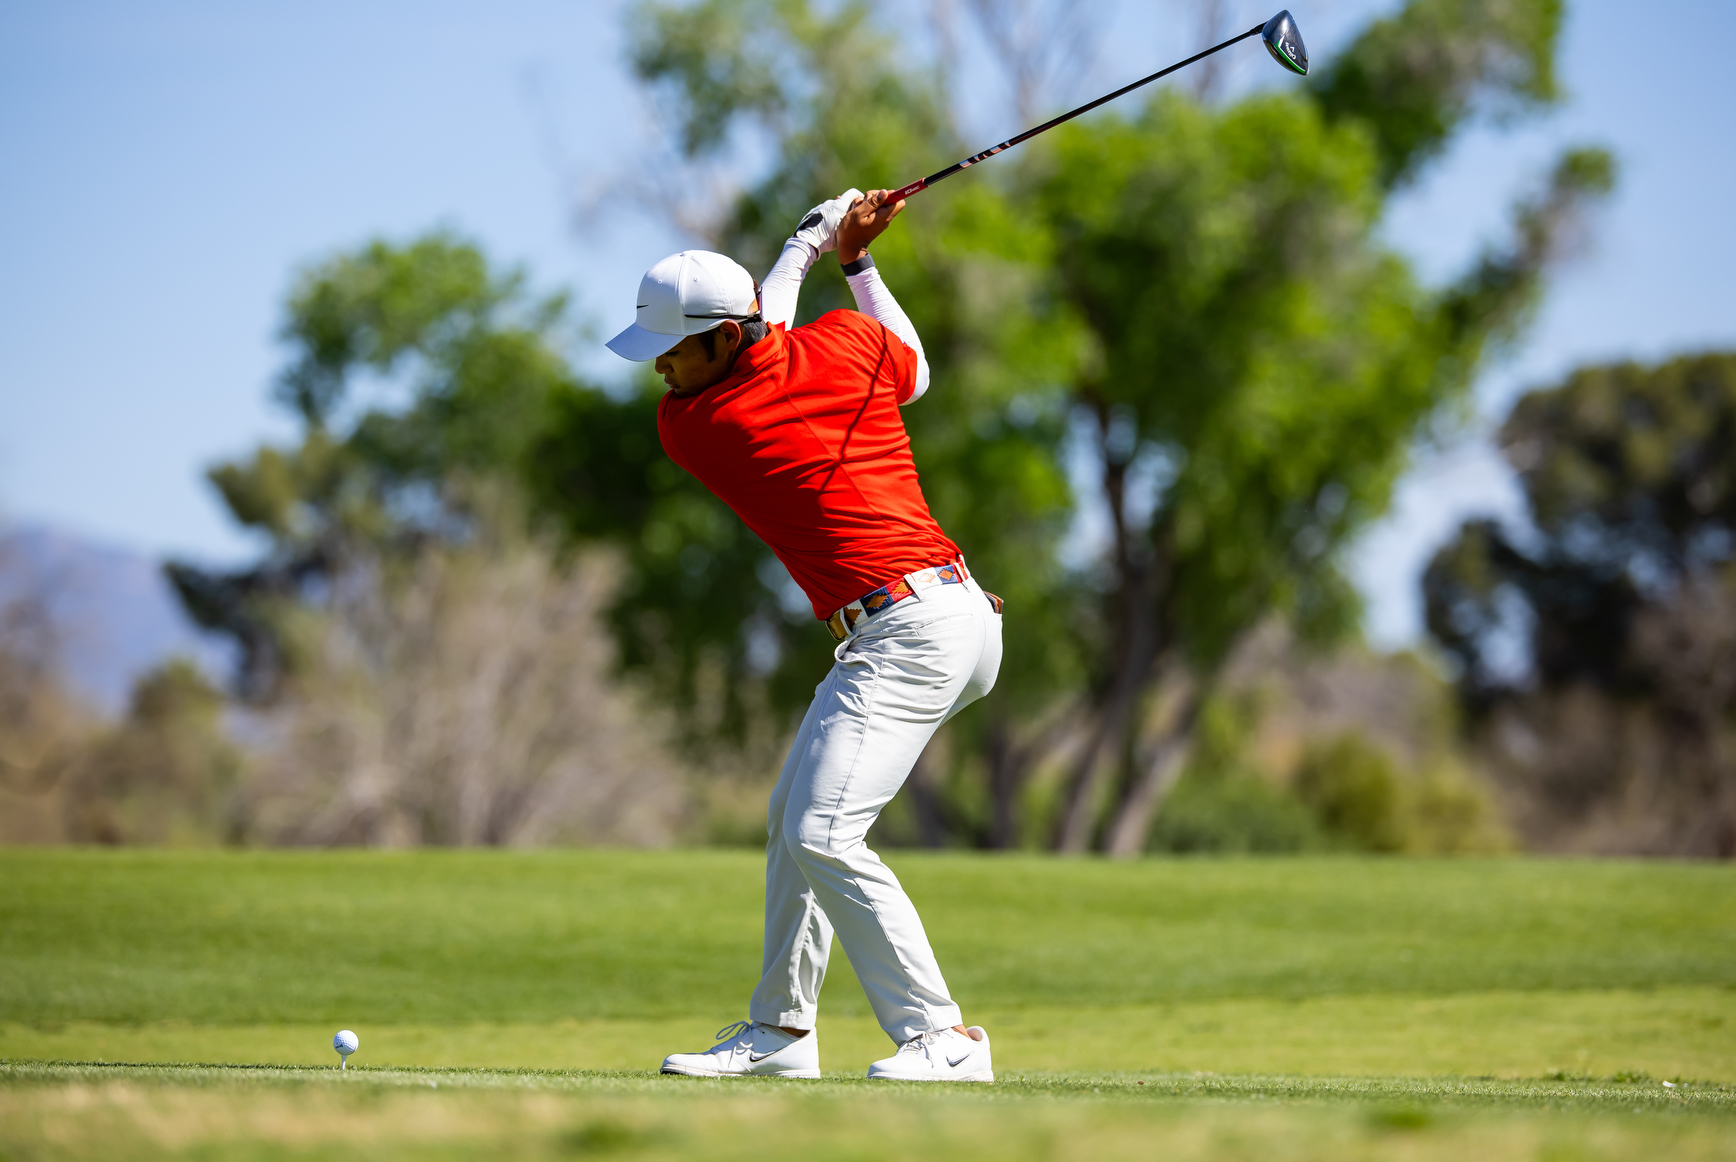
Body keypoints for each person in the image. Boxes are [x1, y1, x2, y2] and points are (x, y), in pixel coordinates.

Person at [605, 189, 1003, 1082]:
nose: (660, 369)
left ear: (722, 338)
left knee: (824, 828)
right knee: (795, 822)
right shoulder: (841, 346)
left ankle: (943, 1037)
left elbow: (769, 324)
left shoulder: (703, 423)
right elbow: (915, 369)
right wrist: (851, 262)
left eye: (672, 349)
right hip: (946, 617)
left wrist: (807, 245)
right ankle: (780, 1033)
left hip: (913, 628)